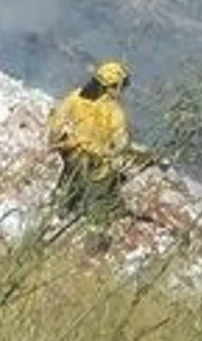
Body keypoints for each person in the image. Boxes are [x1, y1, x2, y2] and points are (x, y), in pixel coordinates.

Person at [46, 60, 156, 233]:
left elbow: (57, 121)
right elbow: (121, 144)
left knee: (68, 183)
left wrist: (55, 143)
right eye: (120, 86)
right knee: (102, 194)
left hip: (72, 155)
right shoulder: (114, 111)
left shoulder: (75, 97)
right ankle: (95, 227)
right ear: (111, 86)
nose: (121, 91)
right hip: (96, 162)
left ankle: (58, 212)